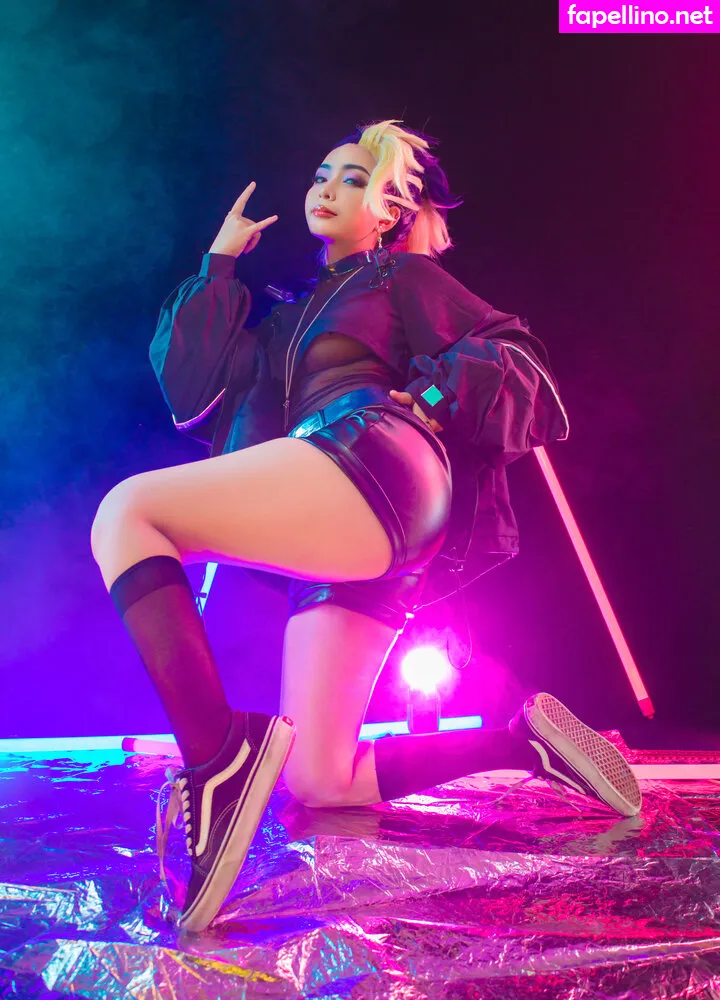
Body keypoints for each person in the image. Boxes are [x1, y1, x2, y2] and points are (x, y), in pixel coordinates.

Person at [91, 119, 642, 934]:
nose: (326, 187)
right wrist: (220, 262)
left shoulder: (402, 276)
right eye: (322, 173)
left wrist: (432, 396)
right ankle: (518, 742)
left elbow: (517, 359)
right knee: (322, 779)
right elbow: (190, 389)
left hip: (374, 462)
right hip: (339, 522)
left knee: (128, 512)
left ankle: (219, 760)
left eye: (352, 178)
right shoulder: (281, 322)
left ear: (388, 211)